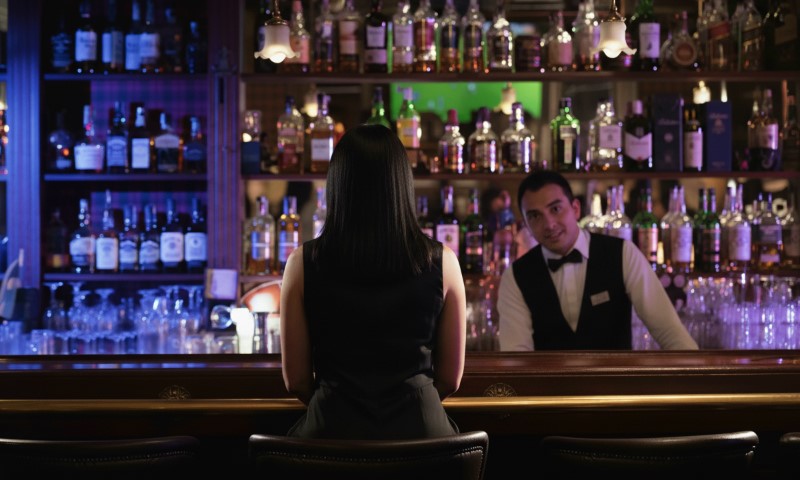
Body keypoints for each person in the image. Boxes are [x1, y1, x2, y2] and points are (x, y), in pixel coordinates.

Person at [280, 124, 467, 439]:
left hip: (331, 438)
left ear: (337, 185)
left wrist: (339, 408)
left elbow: (296, 381)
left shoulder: (302, 263)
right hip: (424, 443)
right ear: (402, 183)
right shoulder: (443, 261)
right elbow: (450, 378)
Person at [497, 170, 698, 351]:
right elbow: (516, 356)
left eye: (555, 209)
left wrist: (696, 384)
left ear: (575, 208)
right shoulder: (515, 277)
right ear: (525, 224)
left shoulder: (622, 253)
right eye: (535, 216)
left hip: (614, 390)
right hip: (549, 392)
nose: (549, 224)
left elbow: (670, 333)